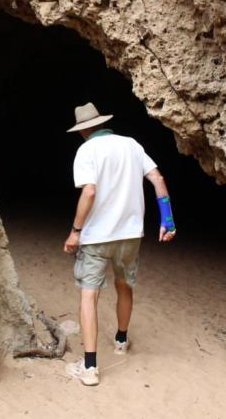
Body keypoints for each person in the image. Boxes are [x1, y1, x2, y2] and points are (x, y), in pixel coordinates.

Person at [63, 102, 176, 386]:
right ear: (102, 123)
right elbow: (157, 178)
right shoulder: (132, 145)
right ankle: (121, 341)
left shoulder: (86, 150)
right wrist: (168, 221)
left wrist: (76, 231)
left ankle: (89, 367)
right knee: (124, 285)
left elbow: (89, 190)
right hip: (130, 235)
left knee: (89, 295)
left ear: (83, 130)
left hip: (97, 237)